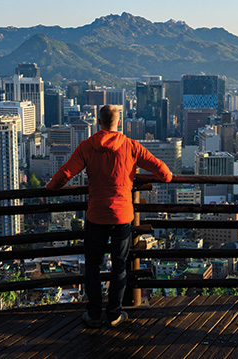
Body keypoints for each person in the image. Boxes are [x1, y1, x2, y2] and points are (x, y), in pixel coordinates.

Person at [46, 104, 172, 328]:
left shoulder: (87, 146)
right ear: (119, 122)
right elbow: (164, 172)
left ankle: (94, 314)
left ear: (99, 122)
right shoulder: (132, 146)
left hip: (96, 216)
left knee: (92, 265)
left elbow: (65, 172)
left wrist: (50, 188)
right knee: (119, 266)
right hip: (122, 216)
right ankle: (114, 314)